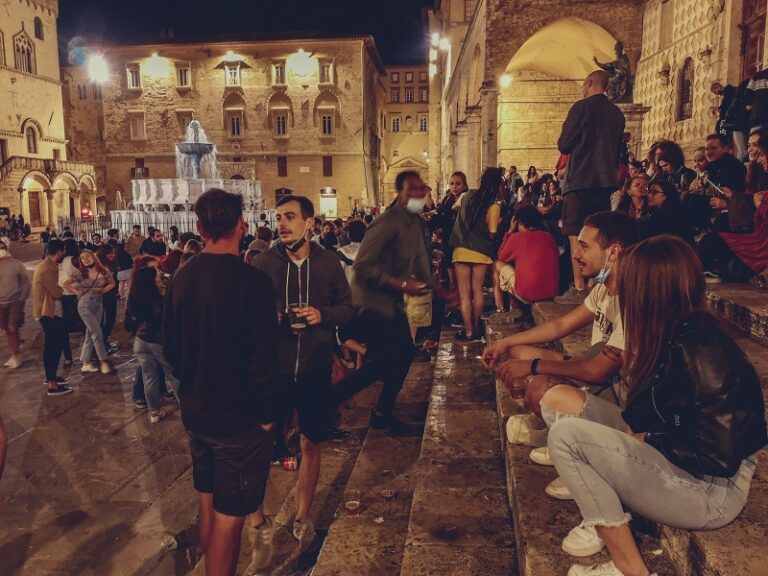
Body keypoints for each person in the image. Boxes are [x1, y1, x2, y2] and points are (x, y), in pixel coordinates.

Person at [543, 236, 766, 576]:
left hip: (712, 492)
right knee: (568, 409)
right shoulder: (672, 331)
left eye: (627, 280)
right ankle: (604, 514)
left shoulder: (703, 351)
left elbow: (719, 458)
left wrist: (650, 440)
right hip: (685, 466)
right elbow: (639, 414)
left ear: (648, 289)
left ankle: (631, 569)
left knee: (566, 437)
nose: (618, 287)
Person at [163, 188, 279, 576]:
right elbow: (263, 361)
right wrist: (266, 418)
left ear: (199, 227)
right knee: (232, 517)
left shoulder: (181, 278)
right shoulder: (255, 283)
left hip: (198, 414)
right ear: (242, 226)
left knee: (208, 498)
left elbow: (173, 352)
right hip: (239, 420)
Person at [482, 212, 637, 499]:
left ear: (614, 251)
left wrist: (533, 366)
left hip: (620, 399)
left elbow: (598, 371)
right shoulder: (605, 288)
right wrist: (505, 345)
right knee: (518, 351)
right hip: (603, 383)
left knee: (539, 386)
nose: (576, 255)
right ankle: (557, 430)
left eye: (585, 247)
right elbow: (561, 325)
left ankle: (584, 458)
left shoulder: (634, 298)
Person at [251, 195, 354, 551]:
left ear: (310, 222)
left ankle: (302, 515)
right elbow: (248, 313)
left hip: (313, 369)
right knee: (261, 442)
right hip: (273, 372)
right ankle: (257, 519)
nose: (282, 223)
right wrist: (272, 319)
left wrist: (321, 315)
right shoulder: (264, 263)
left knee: (311, 442)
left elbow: (347, 308)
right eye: (278, 217)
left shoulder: (329, 264)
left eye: (290, 217)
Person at [334, 170, 452, 433]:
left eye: (422, 189)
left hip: (391, 303)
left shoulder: (415, 225)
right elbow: (363, 266)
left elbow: (421, 267)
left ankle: (376, 410)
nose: (419, 194)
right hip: (370, 303)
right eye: (412, 190)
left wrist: (441, 293)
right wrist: (401, 284)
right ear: (400, 193)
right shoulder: (386, 223)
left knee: (396, 357)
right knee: (392, 358)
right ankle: (340, 401)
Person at [557, 69, 625, 304]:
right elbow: (618, 151)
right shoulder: (617, 114)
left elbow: (564, 144)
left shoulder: (581, 108)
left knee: (576, 233)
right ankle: (595, 284)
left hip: (579, 181)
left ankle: (578, 288)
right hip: (605, 182)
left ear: (589, 83)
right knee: (599, 236)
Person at [449, 167, 503, 340]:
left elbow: (455, 209)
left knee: (464, 294)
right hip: (481, 251)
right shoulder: (494, 205)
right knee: (478, 290)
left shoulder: (468, 195)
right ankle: (477, 325)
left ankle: (468, 331)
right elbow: (493, 231)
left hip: (461, 249)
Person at [125, 266, 180, 424]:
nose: (160, 277)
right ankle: (188, 409)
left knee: (149, 377)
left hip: (140, 342)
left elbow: (129, 324)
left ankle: (154, 413)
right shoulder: (158, 298)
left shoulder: (134, 296)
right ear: (151, 279)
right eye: (157, 275)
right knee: (173, 374)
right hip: (158, 342)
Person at [494, 206, 560, 308]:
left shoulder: (518, 237)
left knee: (496, 264)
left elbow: (501, 256)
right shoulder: (548, 237)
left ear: (519, 222)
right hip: (551, 293)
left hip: (528, 295)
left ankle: (500, 308)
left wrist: (510, 231)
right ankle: (514, 308)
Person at [63, 250, 115, 375]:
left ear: (93, 257)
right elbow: (65, 283)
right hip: (85, 305)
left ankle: (85, 362)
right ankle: (104, 360)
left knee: (90, 333)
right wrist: (77, 292)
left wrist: (102, 290)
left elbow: (112, 284)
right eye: (82, 258)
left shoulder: (104, 271)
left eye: (87, 256)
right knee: (97, 332)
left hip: (99, 304)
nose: (85, 259)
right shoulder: (80, 273)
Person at [32, 239, 72, 396]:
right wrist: (64, 287)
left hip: (51, 312)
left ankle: (51, 377)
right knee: (52, 348)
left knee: (58, 342)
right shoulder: (47, 268)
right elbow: (56, 292)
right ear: (60, 252)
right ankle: (52, 384)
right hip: (47, 313)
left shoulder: (48, 265)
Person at [0, 240, 31, 369]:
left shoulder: (17, 265)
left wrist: (21, 298)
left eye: (2, 246)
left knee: (12, 327)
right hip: (1, 303)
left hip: (15, 301)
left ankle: (16, 355)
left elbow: (26, 283)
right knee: (8, 330)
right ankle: (15, 353)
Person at [59, 239, 81, 367]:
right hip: (75, 293)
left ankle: (68, 356)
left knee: (65, 327)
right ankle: (90, 354)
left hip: (64, 294)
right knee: (84, 323)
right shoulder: (75, 259)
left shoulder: (62, 260)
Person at [337, 219, 366, 297]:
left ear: (349, 234)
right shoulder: (370, 251)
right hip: (366, 296)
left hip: (348, 295)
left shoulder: (342, 252)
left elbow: (338, 277)